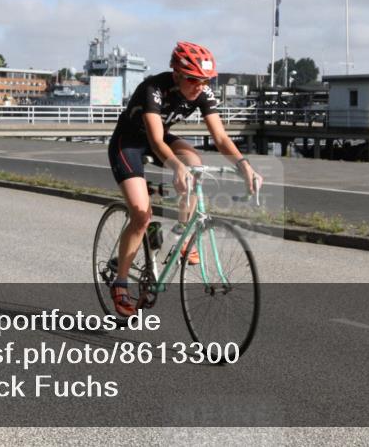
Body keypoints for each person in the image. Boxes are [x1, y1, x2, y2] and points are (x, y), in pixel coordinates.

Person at [107, 41, 262, 318]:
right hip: (128, 143)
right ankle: (120, 282)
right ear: (176, 73)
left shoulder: (202, 91)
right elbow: (155, 140)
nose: (199, 86)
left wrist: (243, 165)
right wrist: (175, 166)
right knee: (142, 215)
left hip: (161, 140)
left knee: (195, 164)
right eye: (193, 80)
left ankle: (182, 236)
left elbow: (221, 138)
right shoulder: (153, 88)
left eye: (205, 80)